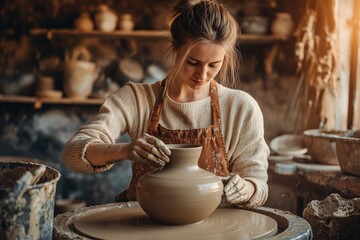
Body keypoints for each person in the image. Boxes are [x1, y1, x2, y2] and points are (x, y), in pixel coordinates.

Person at [62, 0, 269, 208]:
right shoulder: (137, 98)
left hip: (214, 228)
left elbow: (259, 183)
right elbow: (73, 153)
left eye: (214, 65)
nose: (203, 74)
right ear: (175, 48)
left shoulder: (240, 107)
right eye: (193, 62)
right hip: (145, 223)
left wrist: (246, 188)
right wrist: (125, 150)